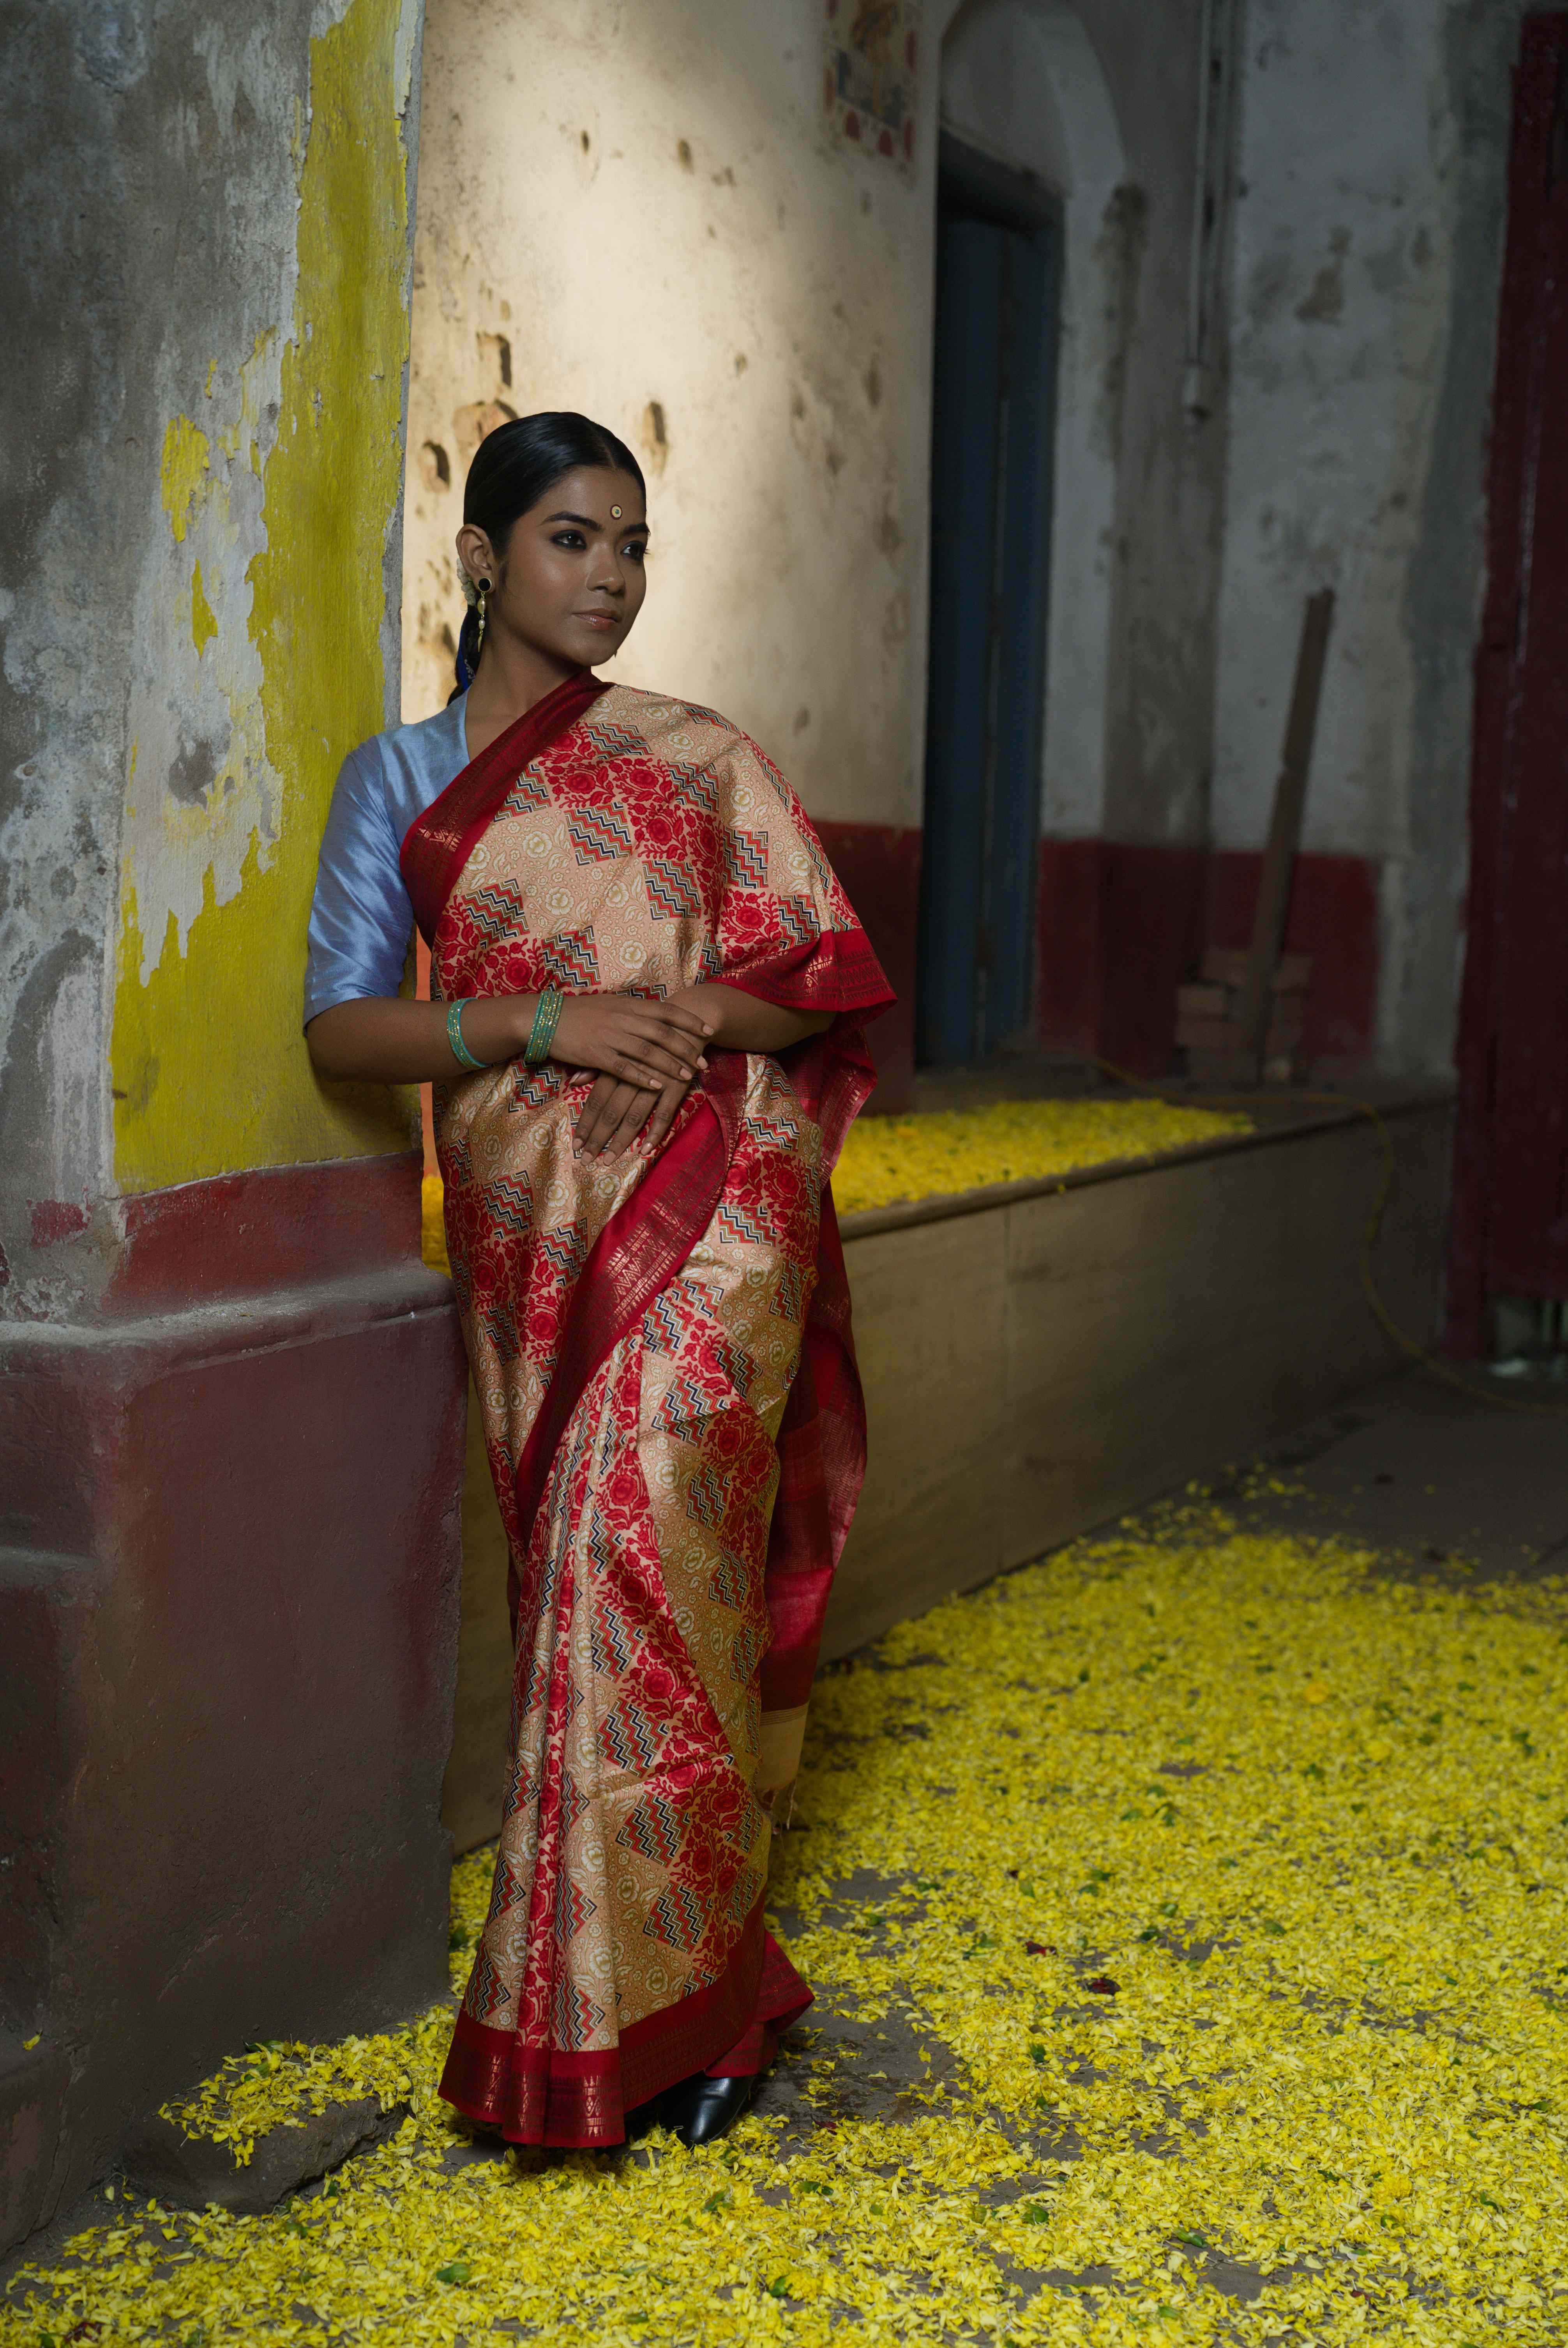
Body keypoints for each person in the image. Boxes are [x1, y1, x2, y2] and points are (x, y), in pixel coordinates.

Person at [304, 412, 893, 2150]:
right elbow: (346, 1027)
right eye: (574, 540)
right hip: (525, 1229)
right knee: (589, 1599)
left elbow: (818, 976)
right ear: (482, 557)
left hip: (713, 1221)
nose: (614, 578)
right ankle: (704, 2000)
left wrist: (691, 1013)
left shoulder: (698, 760)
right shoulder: (400, 780)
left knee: (651, 1574)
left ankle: (616, 2023)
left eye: (633, 545)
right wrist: (547, 1020)